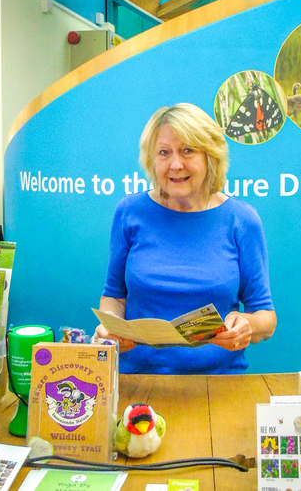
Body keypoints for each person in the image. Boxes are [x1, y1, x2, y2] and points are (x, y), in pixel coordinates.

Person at [96, 103, 276, 374]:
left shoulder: (242, 220)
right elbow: (114, 296)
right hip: (136, 380)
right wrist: (110, 326)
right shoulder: (129, 212)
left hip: (218, 383)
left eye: (188, 151)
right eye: (164, 152)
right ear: (152, 161)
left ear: (210, 156)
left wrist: (247, 326)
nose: (175, 164)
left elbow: (266, 318)